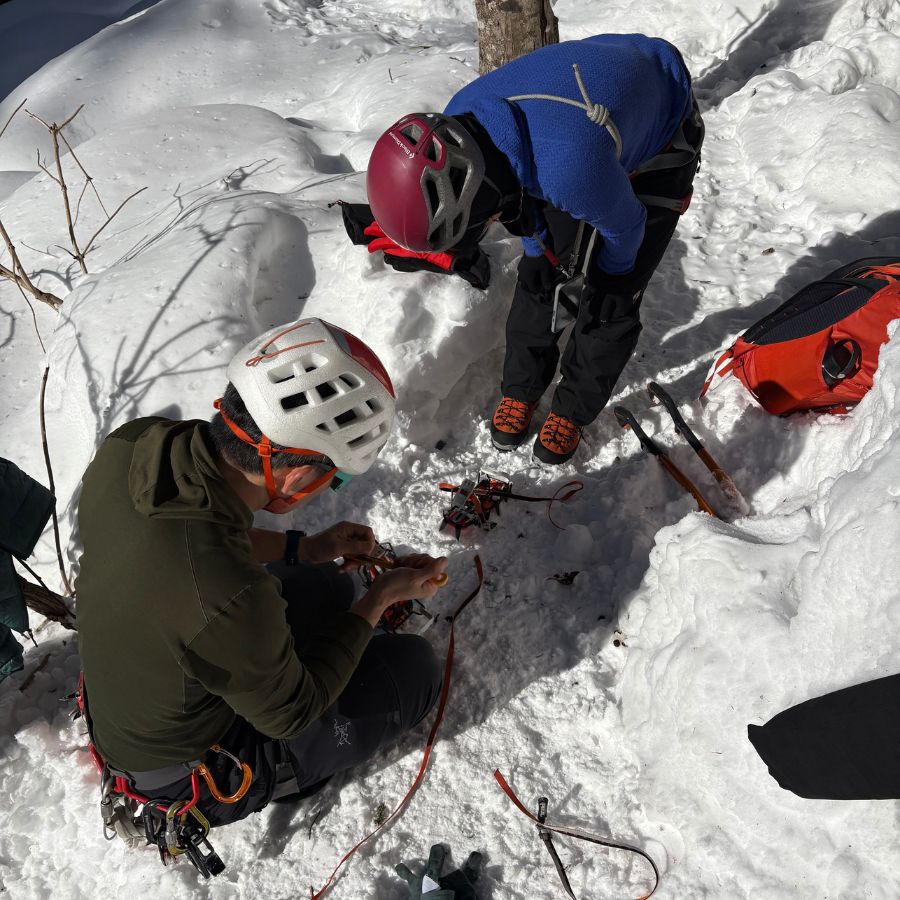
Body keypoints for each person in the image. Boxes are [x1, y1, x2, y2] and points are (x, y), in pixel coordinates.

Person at [75, 317, 447, 850]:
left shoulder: (135, 446)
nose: (328, 488)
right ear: (297, 477)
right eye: (332, 477)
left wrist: (307, 548)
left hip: (139, 681)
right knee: (416, 670)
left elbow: (203, 540)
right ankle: (286, 776)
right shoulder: (225, 593)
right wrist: (381, 597)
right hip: (181, 770)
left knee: (324, 585)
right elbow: (295, 710)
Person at [362, 34, 705, 464]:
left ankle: (573, 407)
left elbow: (628, 228)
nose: (488, 228)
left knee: (614, 287)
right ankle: (522, 387)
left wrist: (610, 276)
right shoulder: (457, 123)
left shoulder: (567, 167)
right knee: (541, 267)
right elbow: (524, 209)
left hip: (663, 124)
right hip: (592, 114)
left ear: (482, 196)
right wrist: (540, 243)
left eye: (480, 224)